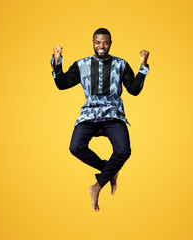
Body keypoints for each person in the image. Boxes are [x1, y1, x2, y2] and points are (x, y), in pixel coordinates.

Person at [50, 28, 150, 212]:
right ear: (93, 43)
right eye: (98, 42)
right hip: (89, 114)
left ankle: (97, 186)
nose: (101, 46)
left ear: (110, 43)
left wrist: (143, 65)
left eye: (105, 42)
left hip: (113, 113)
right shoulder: (82, 65)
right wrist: (57, 59)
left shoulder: (121, 64)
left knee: (124, 150)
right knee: (75, 147)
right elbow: (62, 83)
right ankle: (109, 171)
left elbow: (134, 90)